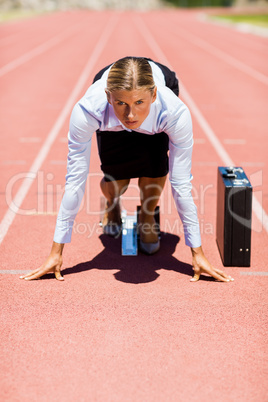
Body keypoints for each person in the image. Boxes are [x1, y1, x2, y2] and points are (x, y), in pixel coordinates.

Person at [20, 57, 234, 282]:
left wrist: (197, 253)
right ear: (108, 97)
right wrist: (56, 253)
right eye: (122, 103)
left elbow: (181, 184)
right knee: (116, 181)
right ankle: (113, 205)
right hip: (111, 117)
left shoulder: (174, 113)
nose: (131, 115)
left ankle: (148, 214)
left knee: (154, 171)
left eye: (139, 102)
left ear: (152, 95)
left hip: (156, 111)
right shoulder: (89, 110)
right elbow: (75, 181)